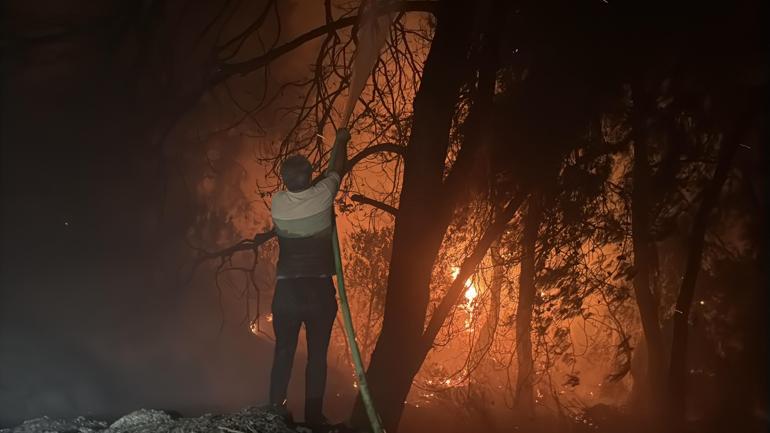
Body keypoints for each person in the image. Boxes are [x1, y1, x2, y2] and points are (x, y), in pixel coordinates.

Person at [267, 127, 351, 426]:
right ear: (311, 176)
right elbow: (337, 168)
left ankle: (274, 410)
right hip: (318, 291)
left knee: (284, 351)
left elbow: (309, 187)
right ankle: (314, 417)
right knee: (317, 355)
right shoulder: (325, 193)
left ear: (284, 180)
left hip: (286, 292)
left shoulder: (276, 203)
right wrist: (341, 141)